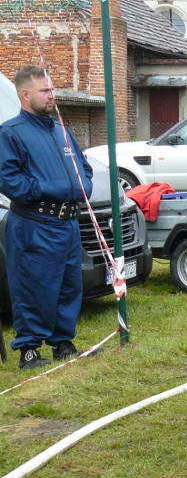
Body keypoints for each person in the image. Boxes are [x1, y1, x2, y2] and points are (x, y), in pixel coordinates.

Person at [0, 66, 93, 370]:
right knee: (33, 286)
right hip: (35, 224)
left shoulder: (60, 130)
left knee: (69, 285)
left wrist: (81, 187)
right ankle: (29, 350)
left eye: (52, 89)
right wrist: (54, 188)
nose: (52, 95)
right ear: (25, 94)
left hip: (68, 224)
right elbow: (10, 181)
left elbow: (84, 169)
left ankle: (63, 344)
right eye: (45, 91)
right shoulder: (11, 133)